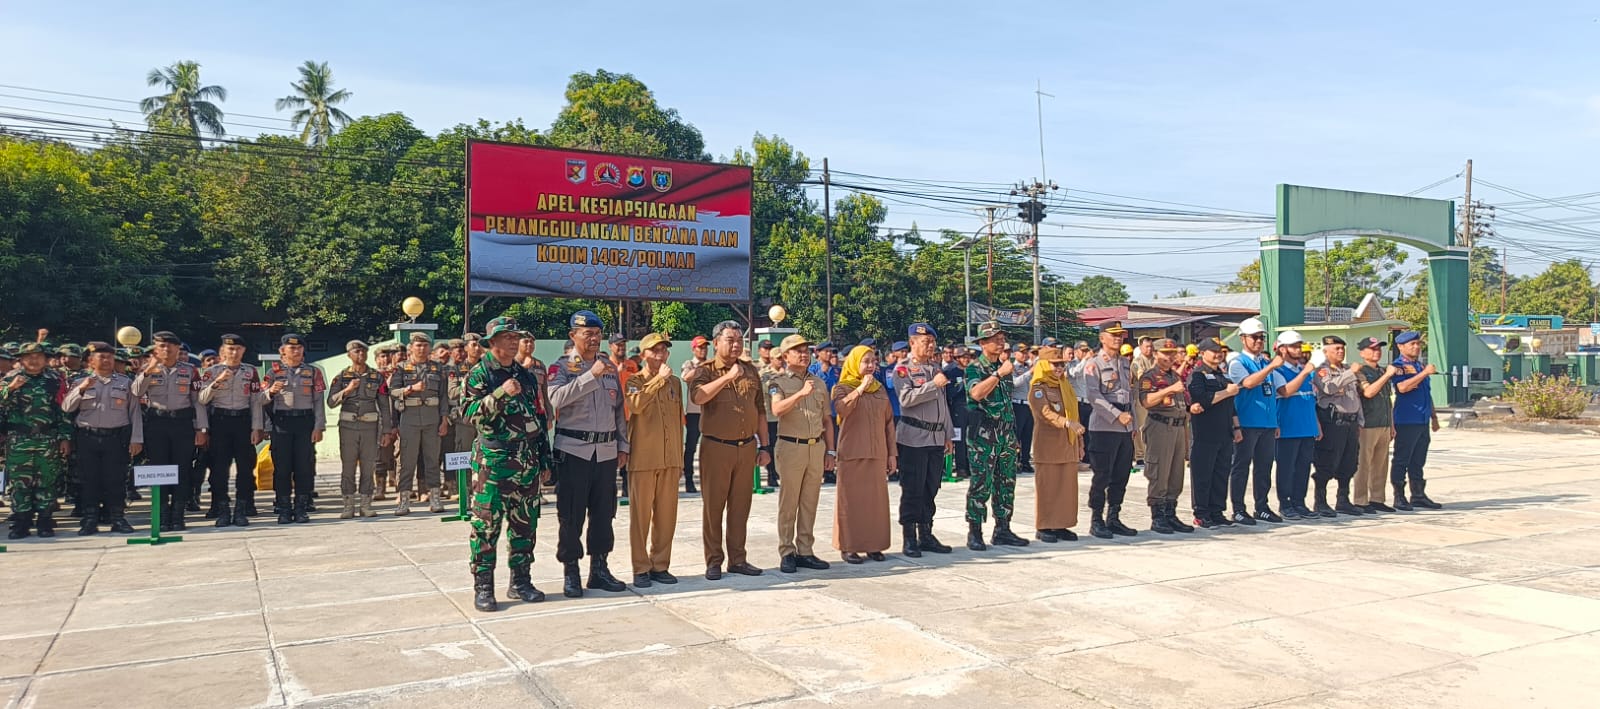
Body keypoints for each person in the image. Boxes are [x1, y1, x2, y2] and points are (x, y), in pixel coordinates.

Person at [463, 317, 553, 612]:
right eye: (508, 337)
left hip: (526, 461)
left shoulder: (525, 375)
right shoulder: (479, 374)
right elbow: (469, 415)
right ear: (493, 341)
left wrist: (545, 458)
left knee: (525, 524)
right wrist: (501, 393)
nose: (514, 341)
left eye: (516, 337)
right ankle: (483, 587)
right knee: (486, 526)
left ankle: (521, 582)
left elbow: (538, 417)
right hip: (494, 463)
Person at [548, 310, 630, 597]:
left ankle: (599, 569)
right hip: (574, 451)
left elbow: (618, 410)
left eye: (597, 334)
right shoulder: (561, 367)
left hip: (605, 452)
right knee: (571, 515)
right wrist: (589, 376)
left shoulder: (609, 367)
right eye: (588, 334)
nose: (594, 339)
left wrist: (623, 445)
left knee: (604, 513)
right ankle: (571, 571)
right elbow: (556, 398)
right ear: (573, 336)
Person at [688, 320, 771, 580]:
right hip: (716, 447)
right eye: (730, 340)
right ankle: (714, 560)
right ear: (716, 343)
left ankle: (738, 559)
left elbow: (760, 410)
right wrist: (727, 377)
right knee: (713, 507)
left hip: (746, 447)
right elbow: (698, 397)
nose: (736, 345)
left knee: (740, 507)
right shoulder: (705, 370)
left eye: (739, 340)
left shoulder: (750, 370)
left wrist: (765, 446)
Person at [768, 334, 835, 573]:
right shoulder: (777, 382)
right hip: (791, 447)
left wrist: (831, 451)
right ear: (786, 356)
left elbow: (827, 419)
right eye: (798, 351)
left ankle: (805, 550)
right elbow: (777, 409)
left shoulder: (818, 383)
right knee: (789, 502)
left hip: (815, 447)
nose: (804, 354)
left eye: (806, 350)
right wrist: (800, 395)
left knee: (809, 501)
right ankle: (787, 551)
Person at [623, 332, 684, 588]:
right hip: (644, 459)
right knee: (640, 518)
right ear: (643, 354)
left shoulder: (675, 383)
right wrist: (659, 380)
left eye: (663, 350)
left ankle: (660, 565)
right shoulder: (634, 380)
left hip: (670, 458)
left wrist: (680, 458)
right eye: (654, 350)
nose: (660, 355)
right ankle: (640, 568)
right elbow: (635, 405)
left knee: (667, 517)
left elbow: (678, 420)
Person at [132, 331, 208, 531]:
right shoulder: (147, 369)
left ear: (177, 348)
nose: (166, 349)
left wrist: (201, 428)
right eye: (161, 346)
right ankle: (162, 514)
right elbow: (136, 392)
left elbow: (198, 401)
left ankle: (178, 514)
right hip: (156, 424)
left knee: (182, 469)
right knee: (159, 469)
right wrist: (148, 370)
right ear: (156, 349)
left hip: (182, 424)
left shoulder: (190, 370)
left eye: (170, 346)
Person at [963, 322, 1029, 550]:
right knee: (981, 483)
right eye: (995, 339)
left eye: (1002, 338)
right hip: (984, 434)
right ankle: (975, 531)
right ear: (983, 343)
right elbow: (976, 393)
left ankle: (1003, 529)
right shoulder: (975, 368)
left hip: (1005, 433)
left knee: (1006, 482)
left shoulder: (1005, 367)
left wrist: (1013, 433)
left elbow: (1007, 402)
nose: (1001, 342)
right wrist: (998, 375)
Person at [63, 342, 141, 535]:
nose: (106, 361)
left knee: (115, 480)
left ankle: (118, 518)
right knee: (89, 480)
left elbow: (134, 412)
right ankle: (90, 520)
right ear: (91, 361)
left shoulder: (125, 382)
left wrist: (136, 439)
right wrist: (81, 389)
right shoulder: (80, 382)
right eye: (102, 357)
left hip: (115, 438)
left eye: (110, 357)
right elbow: (66, 407)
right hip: (87, 437)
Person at [892, 324, 955, 556]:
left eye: (932, 341)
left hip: (936, 437)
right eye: (925, 341)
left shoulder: (935, 368)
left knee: (931, 487)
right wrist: (932, 385)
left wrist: (947, 434)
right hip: (914, 438)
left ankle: (926, 533)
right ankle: (909, 537)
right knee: (913, 488)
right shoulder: (903, 369)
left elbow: (943, 405)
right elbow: (906, 399)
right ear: (912, 343)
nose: (930, 345)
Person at [832, 345, 896, 563]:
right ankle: (848, 546)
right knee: (850, 502)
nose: (871, 366)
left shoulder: (879, 389)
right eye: (866, 362)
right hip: (852, 453)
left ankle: (873, 545)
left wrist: (892, 454)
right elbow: (842, 409)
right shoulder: (842, 387)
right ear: (854, 363)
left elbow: (889, 423)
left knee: (875, 503)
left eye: (873, 362)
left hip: (877, 452)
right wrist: (860, 389)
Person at [3, 342, 71, 538]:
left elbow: (63, 410)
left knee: (47, 481)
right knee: (19, 483)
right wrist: (10, 389)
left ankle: (45, 521)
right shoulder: (9, 379)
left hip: (47, 439)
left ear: (45, 359)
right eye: (29, 356)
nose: (34, 360)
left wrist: (65, 437)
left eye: (38, 356)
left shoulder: (55, 380)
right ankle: (21, 522)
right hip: (19, 440)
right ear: (21, 359)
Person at [199, 334, 263, 527]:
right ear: (223, 350)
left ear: (243, 351)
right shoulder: (212, 371)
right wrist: (217, 382)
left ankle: (241, 510)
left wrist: (257, 427)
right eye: (230, 349)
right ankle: (223, 510)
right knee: (219, 469)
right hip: (220, 422)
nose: (234, 353)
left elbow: (256, 401)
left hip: (243, 422)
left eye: (238, 349)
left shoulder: (250, 371)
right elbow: (202, 399)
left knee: (245, 469)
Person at [1081, 321, 1138, 539]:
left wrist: (1132, 423)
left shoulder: (1124, 362)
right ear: (1102, 338)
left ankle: (1113, 517)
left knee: (1121, 475)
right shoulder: (1093, 364)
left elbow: (1129, 395)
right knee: (1102, 476)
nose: (1118, 338)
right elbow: (1094, 396)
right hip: (1104, 427)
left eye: (1120, 335)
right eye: (1113, 335)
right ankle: (1096, 519)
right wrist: (1116, 415)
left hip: (1125, 427)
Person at [261, 333, 325, 524]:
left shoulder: (313, 372)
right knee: (282, 468)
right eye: (291, 348)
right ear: (282, 351)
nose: (296, 351)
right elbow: (259, 400)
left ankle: (301, 507)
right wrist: (270, 392)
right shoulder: (273, 373)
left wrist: (319, 426)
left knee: (303, 467)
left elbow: (318, 401)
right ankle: (284, 508)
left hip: (305, 423)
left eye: (299, 348)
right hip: (282, 424)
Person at [1228, 317, 1286, 525]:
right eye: (1254, 337)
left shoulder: (1264, 362)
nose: (1259, 341)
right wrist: (1270, 367)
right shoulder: (1238, 362)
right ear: (1243, 339)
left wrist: (1275, 422)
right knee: (1241, 466)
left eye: (1261, 337)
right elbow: (1249, 383)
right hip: (1247, 422)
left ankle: (1262, 506)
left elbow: (1276, 392)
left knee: (1264, 467)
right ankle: (1238, 508)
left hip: (1267, 423)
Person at [388, 332, 450, 515]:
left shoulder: (438, 368)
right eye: (418, 345)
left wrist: (444, 420)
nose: (422, 349)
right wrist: (409, 389)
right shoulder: (401, 368)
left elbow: (443, 397)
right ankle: (404, 500)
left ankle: (435, 498)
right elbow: (392, 392)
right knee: (407, 462)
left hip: (432, 418)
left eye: (425, 345)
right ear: (411, 347)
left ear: (429, 348)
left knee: (432, 460)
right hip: (409, 418)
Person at [1028, 345, 1085, 543]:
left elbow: (1074, 414)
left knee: (1066, 488)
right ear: (1044, 365)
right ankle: (1044, 526)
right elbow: (1044, 413)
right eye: (1055, 364)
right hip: (1048, 445)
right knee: (1048, 487)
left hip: (1068, 444)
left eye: (1061, 364)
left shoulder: (1064, 386)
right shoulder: (1038, 389)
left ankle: (1061, 524)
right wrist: (1066, 423)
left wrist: (1079, 442)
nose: (1059, 368)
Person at [328, 340, 390, 519]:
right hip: (348, 427)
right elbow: (331, 402)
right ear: (349, 355)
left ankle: (365, 504)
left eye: (363, 351)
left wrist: (386, 430)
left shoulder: (376, 377)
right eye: (356, 352)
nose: (360, 355)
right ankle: (348, 505)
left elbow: (384, 406)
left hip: (369, 427)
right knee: (348, 467)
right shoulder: (342, 377)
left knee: (368, 466)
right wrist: (347, 390)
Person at [1139, 338, 1194, 534]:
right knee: (1159, 472)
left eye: (1172, 354)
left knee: (1176, 474)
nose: (1170, 357)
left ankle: (1171, 513)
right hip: (1160, 426)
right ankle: (1158, 516)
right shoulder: (1150, 376)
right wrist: (1169, 390)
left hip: (1178, 426)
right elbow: (1146, 401)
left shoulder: (1175, 376)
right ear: (1155, 354)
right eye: (1165, 353)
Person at [1186, 338, 1242, 528]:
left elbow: (1231, 405)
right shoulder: (1198, 375)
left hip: (1224, 432)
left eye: (1220, 351)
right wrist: (1227, 392)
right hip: (1205, 433)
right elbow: (1201, 400)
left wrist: (1236, 427)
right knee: (1203, 475)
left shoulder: (1222, 375)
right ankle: (1201, 513)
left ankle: (1217, 511)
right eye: (1214, 351)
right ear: (1202, 353)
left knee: (1221, 474)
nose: (1218, 354)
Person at [1311, 336, 1366, 517]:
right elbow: (1329, 388)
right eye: (1336, 349)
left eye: (1342, 348)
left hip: (1350, 422)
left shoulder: (1347, 369)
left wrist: (1360, 420)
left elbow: (1355, 397)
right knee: (1327, 462)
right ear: (1326, 351)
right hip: (1333, 422)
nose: (1340, 352)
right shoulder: (1322, 371)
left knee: (1349, 463)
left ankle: (1343, 500)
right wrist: (1350, 373)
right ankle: (1320, 502)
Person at [1268, 331, 1319, 520]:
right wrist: (1305, 372)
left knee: (1303, 467)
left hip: (1306, 426)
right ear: (1282, 349)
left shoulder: (1303, 370)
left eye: (1299, 346)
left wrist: (1316, 425)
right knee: (1286, 468)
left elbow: (1310, 399)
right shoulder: (1278, 371)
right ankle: (1285, 503)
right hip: (1288, 427)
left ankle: (1299, 502)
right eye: (1294, 346)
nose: (1298, 349)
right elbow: (1286, 391)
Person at [1390, 331, 1442, 510]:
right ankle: (1399, 496)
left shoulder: (1419, 366)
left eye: (1418, 344)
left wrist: (1434, 417)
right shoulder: (1399, 366)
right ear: (1400, 346)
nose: (1416, 347)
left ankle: (1418, 494)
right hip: (1406, 419)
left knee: (1418, 460)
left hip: (1422, 419)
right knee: (1402, 459)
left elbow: (1427, 393)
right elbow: (1402, 387)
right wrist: (1425, 373)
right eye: (1412, 344)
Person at [1354, 337, 1398, 512]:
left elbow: (1388, 400)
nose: (1376, 352)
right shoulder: (1360, 371)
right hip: (1368, 424)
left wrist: (1392, 425)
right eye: (1372, 349)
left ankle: (1377, 498)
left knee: (1381, 464)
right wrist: (1387, 375)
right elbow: (1369, 392)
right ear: (1362, 352)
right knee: (1363, 464)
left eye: (1378, 349)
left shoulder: (1381, 371)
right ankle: (1360, 500)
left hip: (1383, 422)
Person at [809, 341, 842, 485]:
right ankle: (818, 470)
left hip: (833, 412)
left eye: (831, 351)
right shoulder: (812, 370)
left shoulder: (836, 371)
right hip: (817, 411)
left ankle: (830, 470)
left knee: (832, 441)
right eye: (826, 351)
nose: (829, 354)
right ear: (818, 352)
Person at [679, 335, 709, 494]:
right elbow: (685, 377)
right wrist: (701, 368)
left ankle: (709, 478)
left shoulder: (711, 364)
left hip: (711, 411)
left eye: (705, 347)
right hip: (694, 412)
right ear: (693, 349)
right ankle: (689, 479)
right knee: (691, 447)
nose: (703, 350)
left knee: (711, 447)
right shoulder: (689, 364)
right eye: (700, 347)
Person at [941, 345, 971, 479]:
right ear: (957, 358)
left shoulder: (972, 370)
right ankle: (961, 467)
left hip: (972, 408)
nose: (966, 360)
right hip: (958, 409)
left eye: (968, 357)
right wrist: (962, 385)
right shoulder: (950, 371)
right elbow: (949, 393)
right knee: (960, 439)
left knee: (971, 438)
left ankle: (970, 466)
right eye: (963, 357)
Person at [1131, 336, 1157, 466]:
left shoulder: (1155, 359)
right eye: (1147, 346)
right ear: (1140, 347)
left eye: (1151, 346)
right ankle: (1140, 455)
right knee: (1141, 426)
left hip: (1155, 397)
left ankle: (1151, 453)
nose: (1149, 349)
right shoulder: (1137, 362)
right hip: (1141, 397)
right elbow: (1143, 378)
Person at [1009, 344, 1035, 474]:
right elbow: (1014, 383)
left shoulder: (1028, 366)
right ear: (1015, 354)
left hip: (1029, 404)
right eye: (1022, 352)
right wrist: (1029, 373)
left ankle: (1025, 461)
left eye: (1026, 352)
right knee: (1016, 434)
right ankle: (1015, 461)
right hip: (1017, 404)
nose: (1024, 355)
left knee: (1027, 435)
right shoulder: (1012, 367)